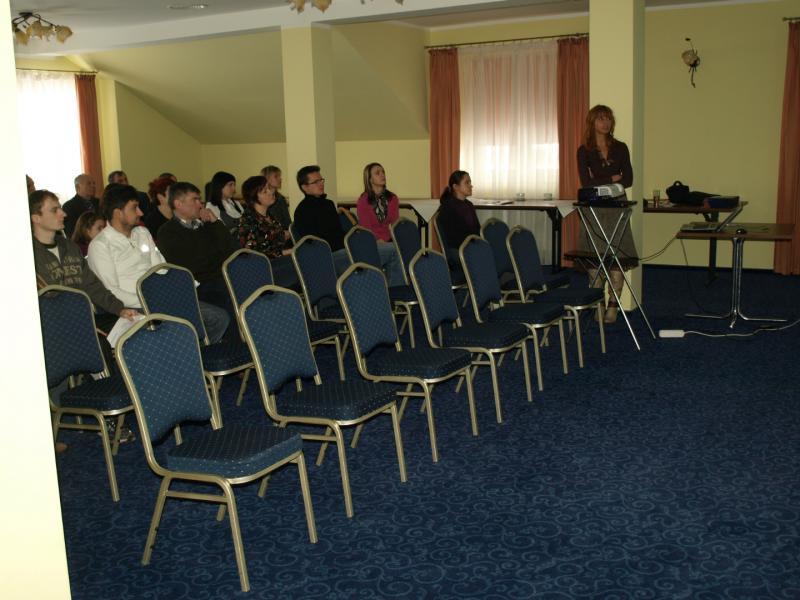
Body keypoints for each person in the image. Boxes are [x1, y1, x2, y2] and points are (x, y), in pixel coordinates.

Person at [87, 184, 229, 343]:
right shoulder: (100, 246)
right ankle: (184, 351)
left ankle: (193, 353)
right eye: (134, 208)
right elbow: (110, 291)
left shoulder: (142, 233)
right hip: (133, 307)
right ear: (118, 213)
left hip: (160, 299)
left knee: (218, 318)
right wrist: (151, 300)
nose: (140, 213)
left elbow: (161, 269)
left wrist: (176, 292)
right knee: (176, 329)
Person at [576, 104, 638, 324]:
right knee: (595, 257)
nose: (606, 123)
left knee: (616, 256)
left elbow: (628, 179)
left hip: (616, 207)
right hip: (593, 208)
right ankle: (598, 302)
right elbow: (586, 182)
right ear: (592, 122)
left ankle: (613, 304)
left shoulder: (620, 147)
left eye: (609, 119)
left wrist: (601, 179)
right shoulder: (584, 150)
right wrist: (612, 178)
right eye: (601, 119)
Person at [157, 182, 240, 327]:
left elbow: (233, 250)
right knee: (231, 295)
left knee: (250, 285)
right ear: (178, 204)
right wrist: (217, 257)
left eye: (199, 200)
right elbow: (191, 266)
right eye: (194, 200)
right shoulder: (167, 232)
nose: (200, 205)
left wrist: (215, 222)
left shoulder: (206, 225)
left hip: (220, 278)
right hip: (198, 286)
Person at [238, 175, 298, 289]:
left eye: (269, 188)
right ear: (254, 197)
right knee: (303, 264)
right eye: (265, 191)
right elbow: (252, 255)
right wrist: (284, 252)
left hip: (280, 262)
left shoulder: (270, 216)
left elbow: (275, 239)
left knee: (308, 257)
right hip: (266, 268)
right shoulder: (248, 221)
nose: (271, 192)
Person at [438, 170, 480, 263]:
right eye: (467, 183)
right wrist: (473, 245)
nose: (471, 186)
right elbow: (452, 237)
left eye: (470, 182)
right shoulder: (448, 207)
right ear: (456, 187)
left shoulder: (469, 205)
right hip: (458, 249)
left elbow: (477, 229)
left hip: (471, 246)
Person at [356, 162, 400, 242]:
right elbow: (365, 228)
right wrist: (377, 240)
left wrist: (390, 239)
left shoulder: (393, 198)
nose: (382, 175)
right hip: (371, 240)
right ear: (370, 179)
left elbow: (395, 224)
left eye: (383, 172)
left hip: (391, 240)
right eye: (377, 173)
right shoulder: (363, 200)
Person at [62, 174, 100, 238]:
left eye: (94, 183)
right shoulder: (69, 206)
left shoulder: (99, 202)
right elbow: (70, 232)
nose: (93, 186)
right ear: (77, 187)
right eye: (89, 183)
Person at [260, 165, 292, 229]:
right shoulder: (263, 200)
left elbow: (287, 222)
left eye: (279, 176)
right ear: (267, 179)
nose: (280, 179)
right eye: (276, 176)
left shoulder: (281, 198)